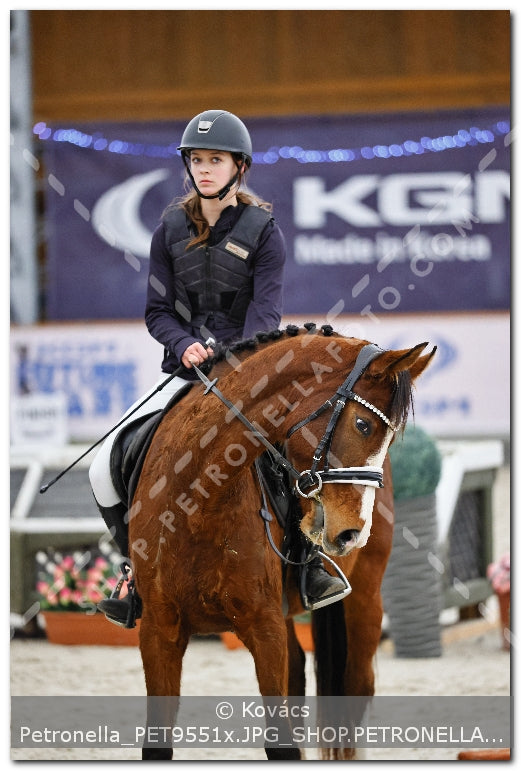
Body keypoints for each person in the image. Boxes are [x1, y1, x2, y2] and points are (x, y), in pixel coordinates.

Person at [90, 109, 345, 627]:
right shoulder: (168, 229)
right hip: (186, 375)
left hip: (247, 373)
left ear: (239, 167)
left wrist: (234, 359)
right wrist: (183, 346)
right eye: (197, 160)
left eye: (215, 160)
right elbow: (157, 312)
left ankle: (311, 564)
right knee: (102, 471)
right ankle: (135, 570)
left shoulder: (264, 232)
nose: (204, 170)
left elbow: (265, 316)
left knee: (293, 454)